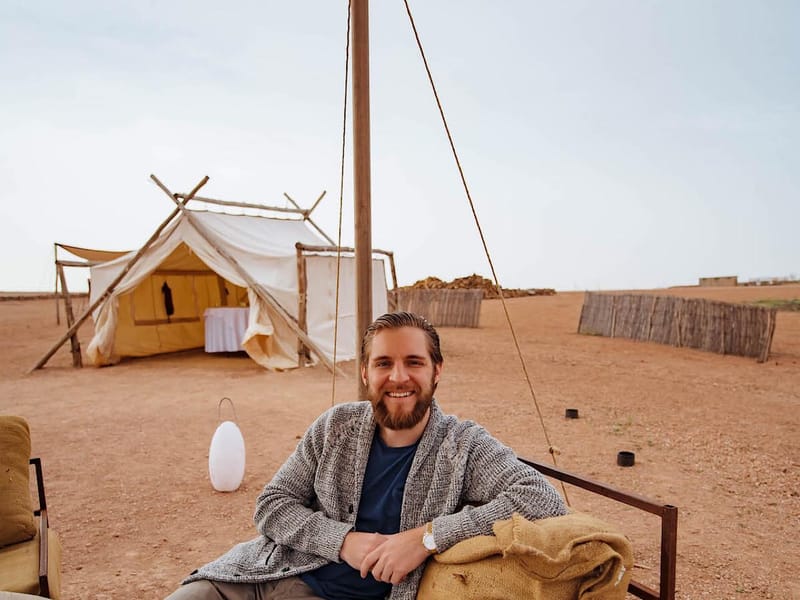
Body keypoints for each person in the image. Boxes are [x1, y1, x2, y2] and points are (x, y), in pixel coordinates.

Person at [166, 312, 567, 600]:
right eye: (383, 363)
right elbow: (272, 505)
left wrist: (427, 537)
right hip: (261, 572)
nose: (397, 377)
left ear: (437, 371)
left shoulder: (462, 445)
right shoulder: (335, 426)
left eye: (413, 362)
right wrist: (343, 542)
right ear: (365, 373)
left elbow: (541, 498)